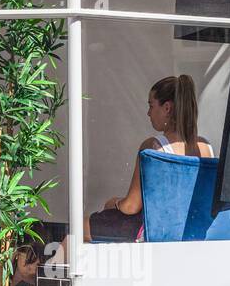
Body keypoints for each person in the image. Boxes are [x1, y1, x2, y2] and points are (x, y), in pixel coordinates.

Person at [84, 75, 213, 243]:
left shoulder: (154, 146)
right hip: (193, 231)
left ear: (167, 108)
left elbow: (131, 206)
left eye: (151, 106)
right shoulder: (206, 147)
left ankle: (48, 268)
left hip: (154, 231)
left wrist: (114, 203)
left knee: (78, 228)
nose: (148, 113)